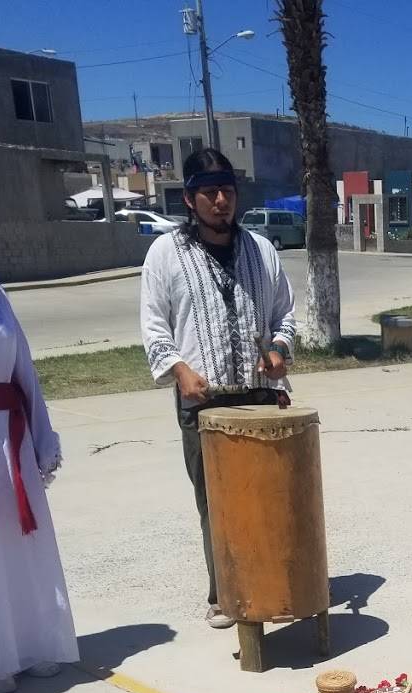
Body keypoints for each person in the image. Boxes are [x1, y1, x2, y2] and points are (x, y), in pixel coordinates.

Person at [140, 148, 298, 628]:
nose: (219, 201)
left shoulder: (261, 249)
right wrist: (180, 370)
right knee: (216, 501)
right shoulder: (165, 254)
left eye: (226, 191)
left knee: (270, 495)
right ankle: (225, 593)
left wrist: (278, 349)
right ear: (189, 198)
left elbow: (284, 315)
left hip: (257, 397)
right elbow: (154, 327)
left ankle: (274, 584)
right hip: (203, 403)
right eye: (208, 192)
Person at [0, 194, 78, 693]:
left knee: (22, 543)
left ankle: (35, 644)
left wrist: (40, 438)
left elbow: (24, 369)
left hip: (9, 437)